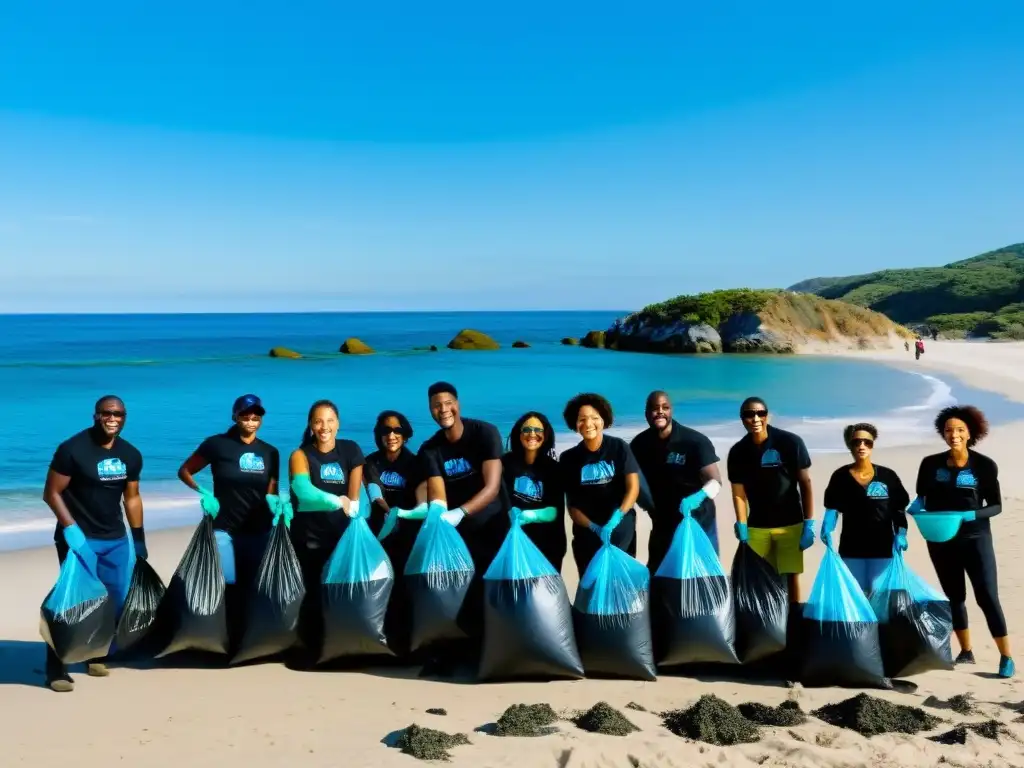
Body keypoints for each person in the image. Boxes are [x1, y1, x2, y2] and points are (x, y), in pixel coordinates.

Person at [41, 395, 145, 692]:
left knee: (115, 598)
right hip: (79, 540)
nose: (113, 418)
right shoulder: (72, 449)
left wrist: (138, 537)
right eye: (107, 413)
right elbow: (52, 493)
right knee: (72, 600)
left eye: (119, 414)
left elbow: (132, 497)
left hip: (115, 539)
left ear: (125, 417)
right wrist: (71, 530)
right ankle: (56, 666)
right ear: (96, 415)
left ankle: (95, 653)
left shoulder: (131, 454)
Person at [910, 405, 1013, 677]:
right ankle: (966, 651)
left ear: (970, 433)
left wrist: (970, 514)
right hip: (941, 538)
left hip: (976, 538)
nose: (953, 435)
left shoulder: (984, 465)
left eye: (959, 430)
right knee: (954, 597)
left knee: (987, 597)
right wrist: (915, 507)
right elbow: (922, 497)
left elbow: (996, 506)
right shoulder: (930, 464)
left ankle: (1006, 656)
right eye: (948, 430)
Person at [177, 394, 280, 654]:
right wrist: (203, 492)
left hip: (259, 531)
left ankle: (250, 640)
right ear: (235, 416)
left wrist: (278, 507)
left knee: (255, 586)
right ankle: (223, 641)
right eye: (246, 415)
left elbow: (272, 490)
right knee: (226, 586)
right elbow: (185, 471)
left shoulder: (270, 452)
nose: (251, 420)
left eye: (257, 416)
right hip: (224, 529)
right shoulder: (217, 445)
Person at [419, 383, 509, 642]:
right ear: (430, 410)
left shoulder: (485, 433)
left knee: (495, 588)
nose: (443, 409)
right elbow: (437, 493)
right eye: (436, 406)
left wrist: (460, 511)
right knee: (466, 591)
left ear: (457, 404)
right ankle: (472, 647)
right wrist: (438, 513)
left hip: (495, 526)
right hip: (460, 536)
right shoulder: (430, 449)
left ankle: (498, 644)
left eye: (448, 403)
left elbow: (492, 487)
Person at [286, 399, 365, 667]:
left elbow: (353, 501)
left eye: (330, 421)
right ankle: (310, 650)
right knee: (311, 595)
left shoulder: (351, 450)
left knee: (339, 593)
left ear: (338, 423)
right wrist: (336, 501)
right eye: (318, 421)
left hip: (340, 537)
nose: (324, 427)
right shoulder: (300, 455)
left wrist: (352, 510)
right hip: (308, 538)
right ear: (310, 424)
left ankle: (341, 647)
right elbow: (304, 494)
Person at [726, 396, 815, 603]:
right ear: (742, 419)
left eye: (760, 413)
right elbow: (739, 493)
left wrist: (809, 522)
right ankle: (767, 623)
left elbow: (805, 483)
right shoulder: (738, 452)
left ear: (768, 415)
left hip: (790, 523)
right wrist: (742, 523)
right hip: (757, 526)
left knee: (791, 575)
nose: (755, 418)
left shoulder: (790, 443)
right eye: (749, 414)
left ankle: (792, 618)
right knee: (759, 576)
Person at [630, 390, 723, 574]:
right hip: (663, 522)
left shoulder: (694, 441)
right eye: (655, 408)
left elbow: (716, 482)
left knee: (702, 575)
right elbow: (632, 480)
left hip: (698, 520)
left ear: (671, 411)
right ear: (646, 413)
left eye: (665, 407)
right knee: (659, 575)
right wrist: (645, 504)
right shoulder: (639, 445)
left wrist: (699, 496)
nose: (660, 412)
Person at [363, 409, 426, 655]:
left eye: (397, 430)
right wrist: (389, 511)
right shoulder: (371, 462)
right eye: (386, 431)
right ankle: (380, 642)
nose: (391, 435)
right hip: (379, 536)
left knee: (405, 589)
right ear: (378, 435)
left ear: (406, 435)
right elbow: (375, 493)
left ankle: (407, 645)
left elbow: (422, 495)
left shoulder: (415, 463)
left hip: (408, 536)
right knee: (381, 588)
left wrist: (410, 513)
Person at [820, 423, 910, 592]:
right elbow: (832, 507)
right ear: (850, 445)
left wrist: (902, 534)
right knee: (857, 593)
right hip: (851, 546)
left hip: (882, 545)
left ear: (872, 444)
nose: (862, 446)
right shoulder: (840, 476)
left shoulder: (887, 476)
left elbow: (898, 510)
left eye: (867, 442)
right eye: (856, 442)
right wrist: (827, 527)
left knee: (879, 593)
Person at [560, 393, 641, 577]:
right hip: (587, 530)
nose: (588, 424)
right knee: (592, 583)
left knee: (620, 579)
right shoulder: (568, 458)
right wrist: (593, 527)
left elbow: (633, 488)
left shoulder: (619, 447)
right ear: (575, 424)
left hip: (619, 523)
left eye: (594, 418)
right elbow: (572, 506)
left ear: (604, 421)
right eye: (582, 419)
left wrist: (617, 518)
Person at [500, 411, 567, 572]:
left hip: (547, 544)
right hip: (512, 542)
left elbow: (554, 512)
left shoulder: (554, 468)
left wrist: (530, 516)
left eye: (538, 430)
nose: (532, 434)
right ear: (518, 434)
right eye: (527, 429)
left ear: (546, 435)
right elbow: (499, 498)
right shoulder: (505, 464)